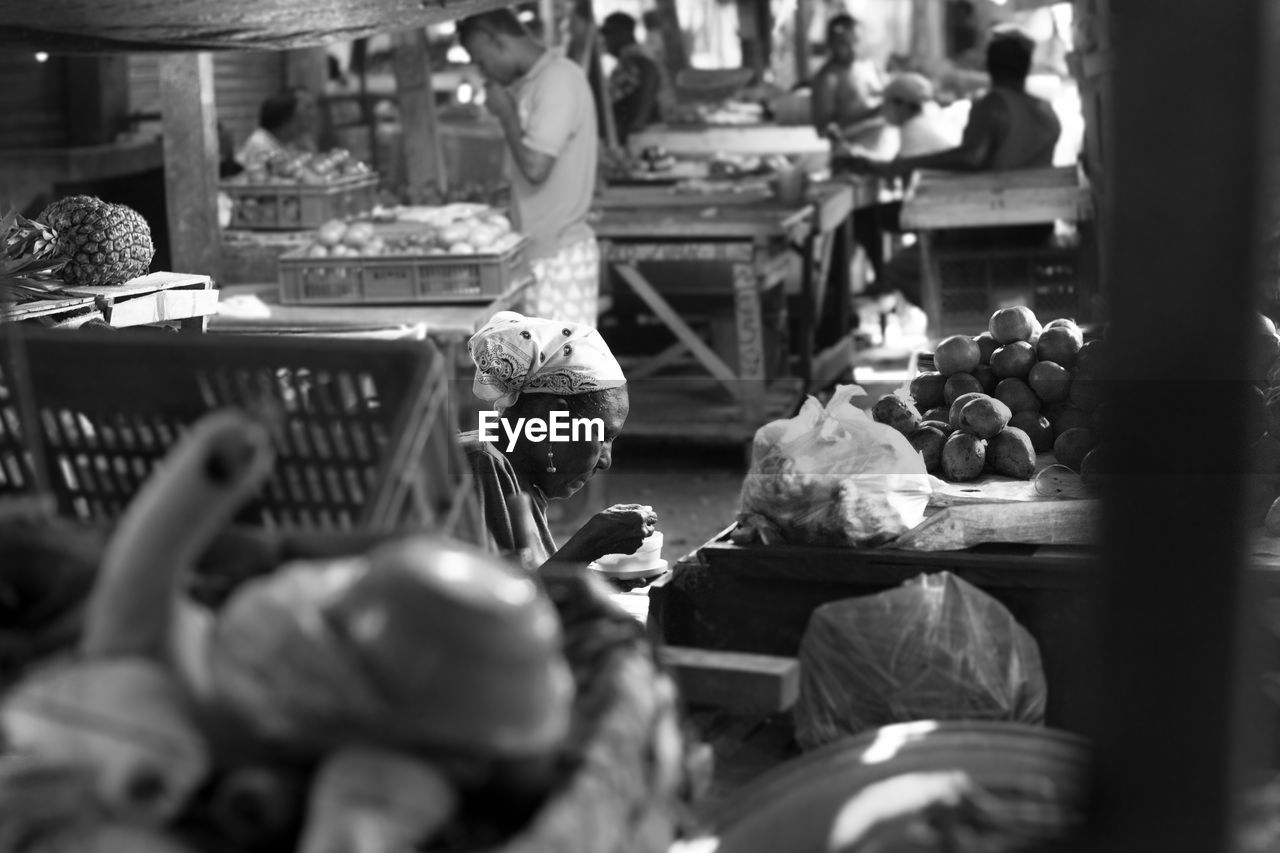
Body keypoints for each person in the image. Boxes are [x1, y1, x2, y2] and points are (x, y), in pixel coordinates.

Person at [843, 29, 1063, 313]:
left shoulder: (993, 105)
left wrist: (908, 165)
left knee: (900, 268)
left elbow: (972, 158)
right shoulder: (1046, 111)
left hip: (995, 226)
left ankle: (960, 316)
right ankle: (972, 313)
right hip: (1039, 225)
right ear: (1026, 66)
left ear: (989, 66)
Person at [459, 311, 656, 568]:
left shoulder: (521, 479)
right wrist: (589, 545)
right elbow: (503, 605)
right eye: (603, 436)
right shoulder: (479, 465)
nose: (606, 460)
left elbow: (525, 583)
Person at [458, 10, 601, 327]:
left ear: (497, 40)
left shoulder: (558, 80)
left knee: (562, 373)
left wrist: (506, 114)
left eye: (480, 60)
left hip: (558, 256)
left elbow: (536, 167)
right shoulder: (533, 84)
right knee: (542, 374)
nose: (484, 72)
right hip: (539, 254)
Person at [811, 15, 886, 145]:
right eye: (844, 44)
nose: (852, 49)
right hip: (851, 155)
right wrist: (874, 113)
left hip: (883, 149)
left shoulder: (868, 67)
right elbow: (823, 129)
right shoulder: (828, 79)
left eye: (856, 41)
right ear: (830, 43)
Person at [600, 13, 663, 143]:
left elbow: (643, 108)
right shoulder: (633, 60)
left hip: (640, 141)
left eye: (608, 33)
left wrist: (628, 135)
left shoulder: (637, 62)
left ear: (625, 33)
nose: (605, 39)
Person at [235, 89, 319, 171]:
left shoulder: (290, 143)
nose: (313, 115)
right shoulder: (261, 145)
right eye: (307, 108)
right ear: (286, 118)